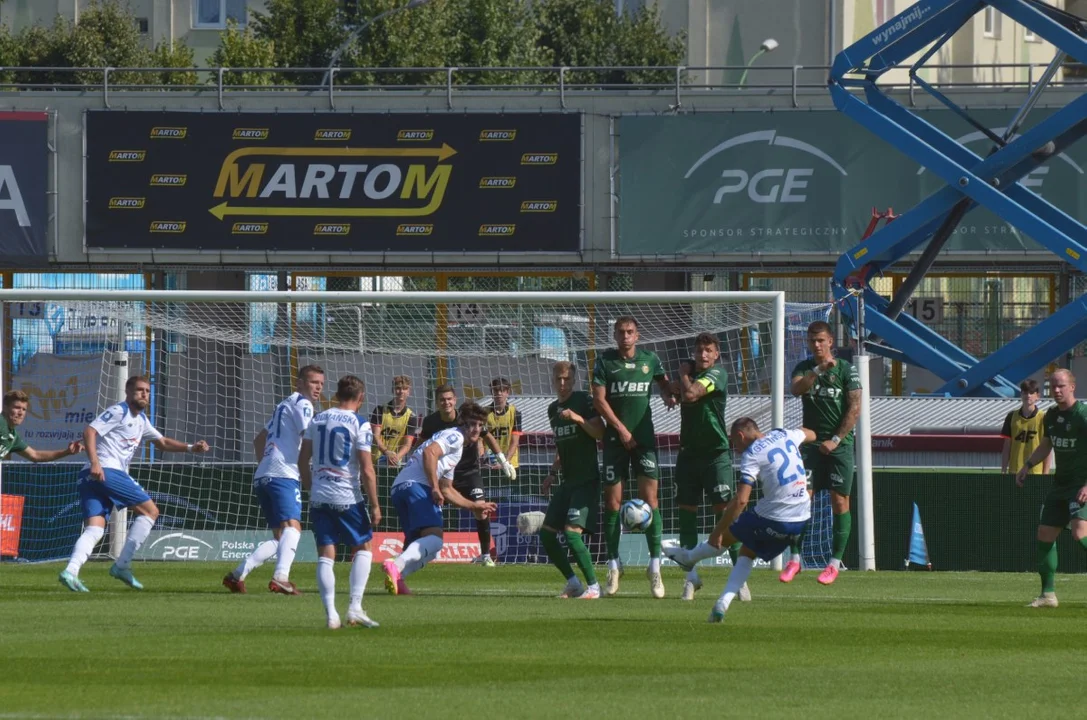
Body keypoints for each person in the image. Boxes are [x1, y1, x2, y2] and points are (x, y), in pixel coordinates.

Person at [59, 376, 210, 592]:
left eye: (147, 391)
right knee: (150, 511)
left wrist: (190, 448)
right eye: (139, 390)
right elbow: (90, 431)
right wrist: (95, 462)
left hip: (92, 477)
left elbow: (163, 442)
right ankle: (122, 565)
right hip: (106, 470)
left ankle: (71, 571)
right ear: (128, 392)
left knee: (94, 529)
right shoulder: (119, 411)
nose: (144, 394)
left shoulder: (141, 421)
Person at [666, 418, 815, 623]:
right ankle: (721, 604)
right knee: (747, 551)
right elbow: (811, 433)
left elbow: (742, 500)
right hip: (802, 517)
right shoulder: (785, 434)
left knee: (724, 539)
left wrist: (718, 530)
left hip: (775, 515)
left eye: (734, 442)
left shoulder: (752, 454)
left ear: (741, 436)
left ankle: (688, 559)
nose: (734, 448)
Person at [591, 315, 676, 598]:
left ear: (637, 336)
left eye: (630, 332)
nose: (625, 336)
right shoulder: (605, 362)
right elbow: (599, 401)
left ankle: (654, 567)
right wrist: (621, 430)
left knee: (652, 501)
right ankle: (614, 566)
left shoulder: (650, 360)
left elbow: (664, 383)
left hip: (645, 440)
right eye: (620, 332)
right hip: (616, 441)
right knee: (613, 504)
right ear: (614, 336)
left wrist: (667, 394)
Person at [223, 365, 325, 595]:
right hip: (283, 473)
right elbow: (309, 436)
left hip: (264, 474)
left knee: (280, 537)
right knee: (293, 527)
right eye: (313, 382)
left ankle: (237, 576)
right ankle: (281, 577)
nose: (318, 387)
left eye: (321, 384)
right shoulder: (303, 404)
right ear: (299, 383)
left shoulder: (283, 405)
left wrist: (267, 465)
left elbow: (258, 440)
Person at [383, 402, 498, 595]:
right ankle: (396, 564)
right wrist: (433, 487)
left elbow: (447, 489)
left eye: (480, 425)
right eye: (471, 424)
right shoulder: (454, 436)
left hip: (400, 488)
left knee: (426, 548)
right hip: (417, 487)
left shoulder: (457, 447)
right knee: (435, 540)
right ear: (462, 422)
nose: (476, 429)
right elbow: (430, 453)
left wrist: (474, 506)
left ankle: (398, 578)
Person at [779, 321, 862, 586]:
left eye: (821, 340)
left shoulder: (847, 371)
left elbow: (854, 408)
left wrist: (836, 440)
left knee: (840, 503)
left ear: (831, 342)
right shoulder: (804, 368)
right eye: (812, 340)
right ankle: (794, 559)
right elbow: (795, 389)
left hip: (840, 447)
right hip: (811, 446)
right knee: (801, 500)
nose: (816, 345)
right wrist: (816, 370)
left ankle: (834, 564)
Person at [298, 375, 381, 630]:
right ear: (361, 397)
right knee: (364, 548)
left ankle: (331, 614)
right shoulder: (360, 423)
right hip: (347, 496)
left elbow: (302, 460)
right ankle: (355, 608)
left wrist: (314, 487)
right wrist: (375, 504)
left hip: (320, 496)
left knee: (326, 554)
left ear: (336, 394)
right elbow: (367, 469)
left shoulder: (318, 418)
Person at [672, 333, 748, 603]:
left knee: (725, 514)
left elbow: (690, 394)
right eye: (699, 350)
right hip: (688, 455)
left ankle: (739, 580)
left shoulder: (718, 374)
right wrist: (668, 390)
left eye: (708, 350)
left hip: (716, 455)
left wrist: (682, 376)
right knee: (686, 515)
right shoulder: (691, 375)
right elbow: (673, 392)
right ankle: (690, 579)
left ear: (716, 355)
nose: (703, 355)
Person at [415, 383, 514, 566]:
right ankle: (423, 551)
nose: (446, 403)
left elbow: (487, 435)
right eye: (442, 400)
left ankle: (485, 556)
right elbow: (422, 444)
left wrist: (502, 459)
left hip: (469, 472)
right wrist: (411, 461)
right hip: (443, 475)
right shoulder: (430, 422)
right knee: (429, 511)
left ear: (455, 400)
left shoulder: (466, 418)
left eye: (449, 399)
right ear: (437, 403)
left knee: (480, 507)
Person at [1015, 368, 1087, 608]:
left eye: (1061, 386)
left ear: (1072, 387)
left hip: (1081, 484)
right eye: (1052, 386)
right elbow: (1047, 443)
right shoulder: (1051, 416)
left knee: (1079, 534)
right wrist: (1028, 465)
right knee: (1045, 535)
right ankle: (1048, 595)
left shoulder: (1083, 414)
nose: (1056, 390)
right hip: (1060, 484)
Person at [541, 362, 605, 599]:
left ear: (574, 380)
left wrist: (578, 418)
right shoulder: (552, 410)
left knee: (571, 533)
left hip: (586, 480)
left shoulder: (584, 401)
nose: (562, 384)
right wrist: (552, 473)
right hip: (567, 481)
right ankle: (573, 582)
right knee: (546, 534)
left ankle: (594, 587)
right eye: (558, 379)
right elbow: (561, 445)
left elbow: (599, 432)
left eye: (567, 379)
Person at [1, 389, 83, 462]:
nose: (21, 413)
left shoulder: (12, 436)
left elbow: (35, 455)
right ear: (5, 407)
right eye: (17, 407)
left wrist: (67, 452)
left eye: (24, 409)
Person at [1001, 379, 1049, 475]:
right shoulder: (1011, 416)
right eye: (1025, 392)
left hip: (1035, 472)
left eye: (1031, 393)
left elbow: (1047, 448)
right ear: (1021, 395)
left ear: (1037, 396)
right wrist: (1003, 470)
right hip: (1015, 471)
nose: (1028, 396)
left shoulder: (1044, 418)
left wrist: (1045, 473)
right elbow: (1007, 446)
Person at [369, 375, 418, 469]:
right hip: (373, 462)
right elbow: (375, 436)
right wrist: (386, 453)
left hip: (394, 463)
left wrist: (396, 458)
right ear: (393, 390)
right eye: (398, 388)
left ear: (409, 392)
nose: (401, 391)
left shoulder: (411, 416)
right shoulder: (380, 410)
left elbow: (407, 444)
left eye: (405, 388)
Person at [486, 377, 522, 472]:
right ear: (492, 392)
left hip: (510, 463)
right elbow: (479, 441)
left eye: (502, 390)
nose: (499, 393)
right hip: (489, 464)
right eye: (496, 390)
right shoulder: (483, 413)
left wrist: (505, 462)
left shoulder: (515, 413)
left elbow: (515, 442)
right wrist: (484, 459)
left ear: (508, 392)